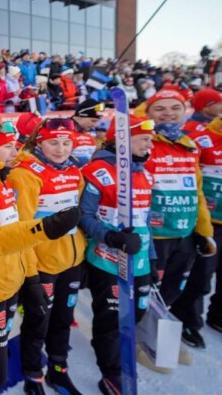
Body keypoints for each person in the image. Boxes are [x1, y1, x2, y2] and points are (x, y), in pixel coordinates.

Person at [0, 122, 80, 395]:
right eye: (8, 146)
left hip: (7, 281)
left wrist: (29, 278)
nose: (16, 151)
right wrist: (46, 228)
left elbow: (13, 233)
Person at [79, 115, 157, 394]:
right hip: (108, 260)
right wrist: (111, 237)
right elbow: (84, 216)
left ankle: (112, 347)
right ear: (123, 140)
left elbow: (145, 219)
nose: (150, 144)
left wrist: (154, 257)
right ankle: (110, 372)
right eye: (144, 138)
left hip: (141, 260)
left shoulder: (145, 172)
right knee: (110, 319)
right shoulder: (98, 171)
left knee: (137, 311)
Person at [8, 118, 86, 395]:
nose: (61, 149)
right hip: (41, 264)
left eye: (66, 142)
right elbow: (20, 230)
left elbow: (78, 213)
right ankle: (33, 374)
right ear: (38, 141)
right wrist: (29, 274)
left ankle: (58, 368)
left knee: (63, 318)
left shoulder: (75, 168)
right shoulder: (26, 173)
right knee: (37, 321)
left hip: (72, 260)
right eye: (54, 142)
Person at [142, 89, 215, 355]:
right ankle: (138, 337)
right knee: (147, 292)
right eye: (160, 108)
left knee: (172, 291)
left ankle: (158, 334)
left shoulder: (189, 144)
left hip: (183, 233)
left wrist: (203, 230)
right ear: (148, 113)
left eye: (175, 107)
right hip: (154, 236)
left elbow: (197, 191)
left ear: (185, 110)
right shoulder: (143, 142)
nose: (168, 113)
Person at [170, 115, 222, 349]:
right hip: (210, 219)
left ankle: (218, 315)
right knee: (201, 275)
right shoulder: (200, 139)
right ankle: (187, 318)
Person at [71, 99, 105, 168]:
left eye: (96, 121)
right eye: (93, 121)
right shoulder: (62, 129)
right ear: (80, 116)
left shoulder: (90, 134)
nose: (95, 125)